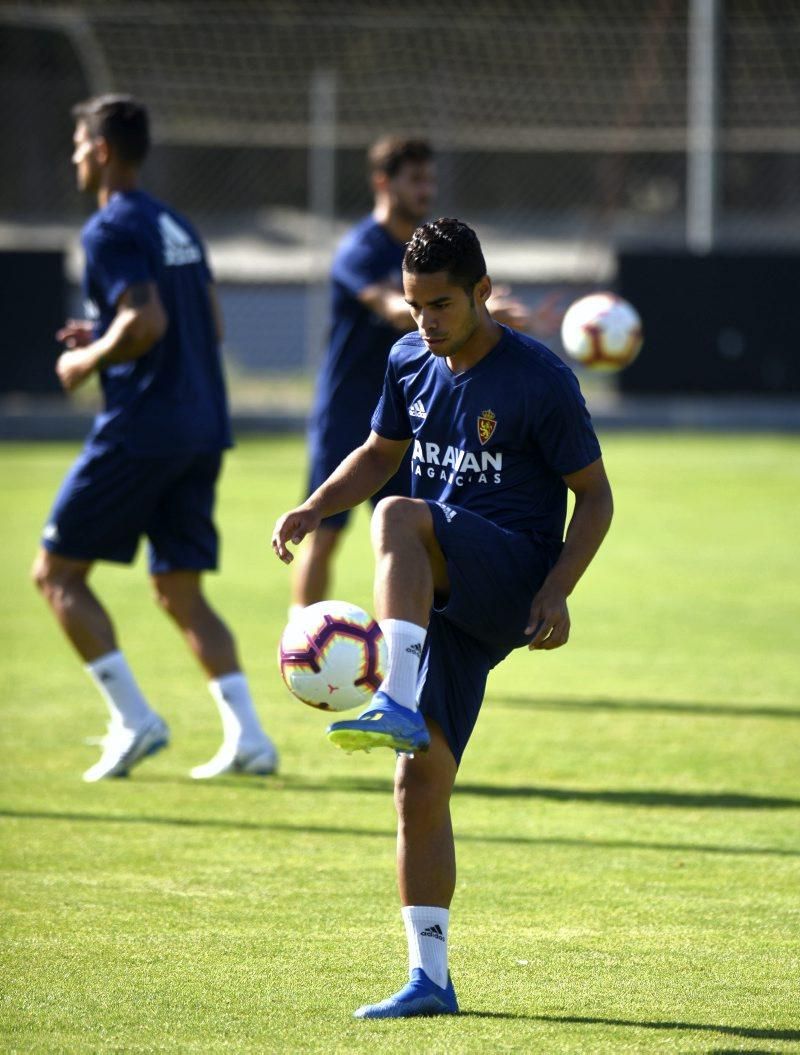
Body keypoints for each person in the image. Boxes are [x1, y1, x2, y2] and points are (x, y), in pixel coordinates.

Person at [272, 218, 613, 1018]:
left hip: (513, 568)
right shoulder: (407, 360)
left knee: (396, 518)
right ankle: (431, 977)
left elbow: (594, 495)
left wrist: (558, 586)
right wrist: (316, 507)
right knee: (418, 782)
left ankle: (392, 692)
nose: (425, 319)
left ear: (484, 294)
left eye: (443, 303)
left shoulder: (539, 377)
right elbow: (379, 449)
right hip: (444, 599)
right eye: (414, 303)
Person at [32, 94, 278, 782]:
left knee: (55, 575)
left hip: (145, 426)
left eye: (80, 145)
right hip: (202, 426)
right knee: (178, 587)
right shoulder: (177, 224)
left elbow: (146, 323)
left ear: (103, 150)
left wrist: (85, 359)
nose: (76, 157)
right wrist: (111, 332)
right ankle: (250, 737)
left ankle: (134, 718)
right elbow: (208, 324)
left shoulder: (110, 226)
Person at [292, 136, 530, 613]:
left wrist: (488, 318)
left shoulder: (427, 250)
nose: (427, 189)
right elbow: (390, 307)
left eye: (431, 179)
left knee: (413, 535)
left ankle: (411, 643)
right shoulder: (360, 248)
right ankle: (302, 639)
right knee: (324, 532)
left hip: (409, 415)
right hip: (348, 411)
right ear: (384, 182)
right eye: (415, 179)